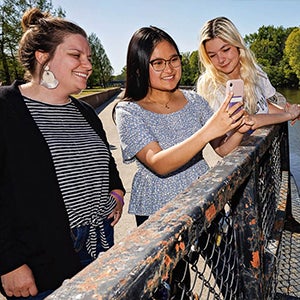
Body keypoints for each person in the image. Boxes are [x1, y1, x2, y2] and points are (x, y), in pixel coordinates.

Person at [115, 25, 251, 299]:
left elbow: (222, 148)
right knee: (175, 288)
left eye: (174, 59)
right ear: (139, 67)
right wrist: (209, 130)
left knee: (230, 273)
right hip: (159, 212)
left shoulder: (195, 101)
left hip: (206, 200)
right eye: (158, 63)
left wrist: (237, 126)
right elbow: (158, 162)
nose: (170, 68)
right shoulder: (128, 110)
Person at [0, 8, 125, 300]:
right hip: (39, 259)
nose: (88, 64)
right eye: (76, 55)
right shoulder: (6, 109)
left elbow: (105, 163)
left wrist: (116, 192)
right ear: (43, 57)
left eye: (89, 57)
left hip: (99, 243)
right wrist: (8, 263)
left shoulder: (84, 112)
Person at [196, 16, 300, 232]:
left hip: (270, 157)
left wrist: (287, 110)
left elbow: (265, 106)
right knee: (252, 230)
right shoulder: (210, 88)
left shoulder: (254, 71)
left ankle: (284, 221)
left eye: (226, 50)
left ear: (237, 45)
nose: (221, 60)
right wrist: (285, 117)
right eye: (213, 55)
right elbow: (229, 142)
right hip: (243, 168)